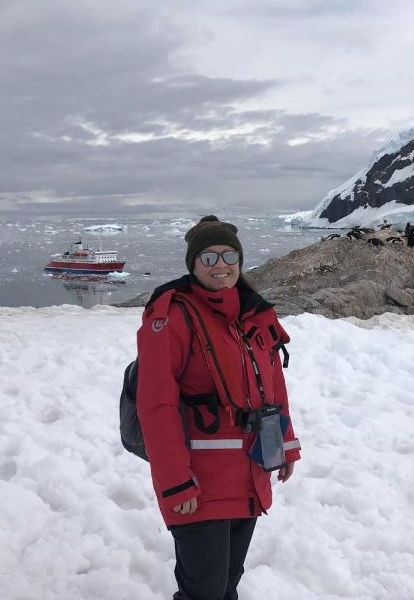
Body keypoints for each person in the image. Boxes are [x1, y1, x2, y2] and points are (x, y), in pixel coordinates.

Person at [136, 216, 301, 600]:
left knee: (227, 584)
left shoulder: (252, 315)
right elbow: (156, 405)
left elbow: (272, 386)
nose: (221, 265)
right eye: (208, 258)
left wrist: (284, 445)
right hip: (199, 480)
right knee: (203, 592)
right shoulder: (172, 317)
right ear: (193, 265)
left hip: (249, 471)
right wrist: (175, 481)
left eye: (228, 255)